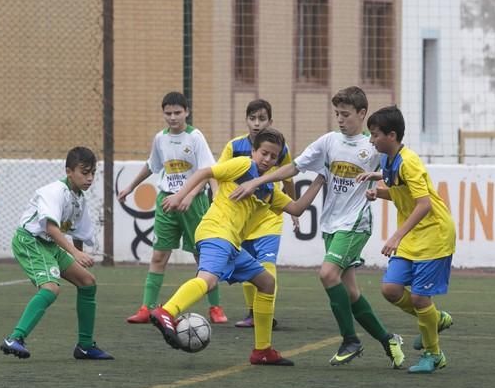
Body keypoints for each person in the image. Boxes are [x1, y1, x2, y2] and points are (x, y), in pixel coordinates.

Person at [229, 87, 405, 369]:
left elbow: (396, 173)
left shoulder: (373, 146)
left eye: (346, 114)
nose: (340, 119)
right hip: (331, 224)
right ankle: (388, 340)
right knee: (350, 293)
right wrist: (256, 182)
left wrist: (380, 186)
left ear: (362, 114)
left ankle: (350, 340)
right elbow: (293, 167)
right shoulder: (328, 142)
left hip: (355, 224)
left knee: (326, 273)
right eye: (337, 113)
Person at [152, 127, 325, 366]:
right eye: (264, 153)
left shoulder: (268, 189)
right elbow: (205, 172)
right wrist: (181, 195)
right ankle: (167, 311)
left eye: (274, 157)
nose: (267, 159)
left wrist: (320, 179)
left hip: (233, 243)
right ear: (254, 151)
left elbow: (296, 208)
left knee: (266, 282)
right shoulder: (243, 165)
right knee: (209, 279)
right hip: (216, 232)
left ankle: (262, 350)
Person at [359, 105, 455, 374]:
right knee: (391, 289)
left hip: (433, 234)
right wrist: (379, 192)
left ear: (391, 135)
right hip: (413, 235)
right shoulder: (389, 159)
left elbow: (423, 204)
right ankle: (436, 320)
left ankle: (433, 354)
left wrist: (396, 235)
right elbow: (402, 193)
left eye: (374, 134)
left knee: (420, 299)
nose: (370, 139)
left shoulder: (409, 161)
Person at [119, 91, 228, 324]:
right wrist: (130, 187)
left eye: (177, 112)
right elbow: (152, 166)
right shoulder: (160, 139)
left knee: (203, 257)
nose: (172, 117)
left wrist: (190, 195)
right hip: (167, 202)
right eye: (168, 113)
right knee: (159, 255)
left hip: (193, 203)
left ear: (186, 112)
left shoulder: (196, 137)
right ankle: (146, 308)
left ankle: (215, 307)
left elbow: (208, 172)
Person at [0, 146, 113, 360]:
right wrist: (75, 254)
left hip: (49, 245)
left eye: (92, 173)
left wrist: (77, 256)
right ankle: (15, 338)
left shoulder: (79, 199)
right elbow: (51, 227)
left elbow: (76, 232)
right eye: (84, 172)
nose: (89, 178)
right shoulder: (55, 192)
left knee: (88, 282)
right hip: (30, 241)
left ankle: (85, 346)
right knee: (51, 288)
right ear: (69, 171)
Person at [218, 99, 298, 328]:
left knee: (266, 265)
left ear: (270, 121)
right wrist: (217, 199)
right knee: (247, 267)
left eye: (261, 119)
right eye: (252, 118)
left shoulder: (281, 149)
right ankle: (253, 314)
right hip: (243, 218)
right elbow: (216, 174)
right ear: (246, 120)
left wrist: (293, 210)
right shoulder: (234, 147)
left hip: (269, 216)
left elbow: (288, 178)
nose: (256, 123)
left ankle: (267, 314)